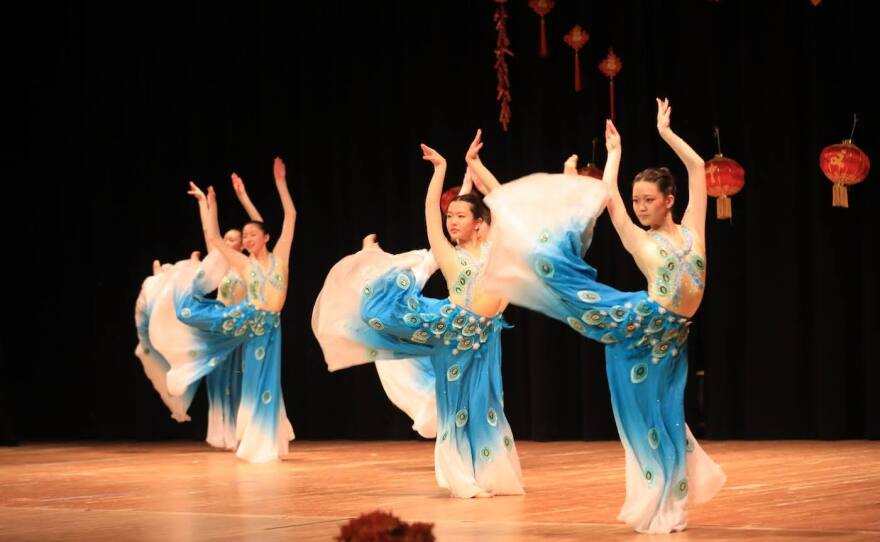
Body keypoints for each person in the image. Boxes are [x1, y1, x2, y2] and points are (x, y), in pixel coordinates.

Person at [479, 99, 725, 533]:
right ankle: (656, 502)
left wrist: (666, 133)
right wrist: (614, 155)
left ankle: (670, 500)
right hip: (638, 325)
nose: (642, 206)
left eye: (649, 199)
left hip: (672, 341)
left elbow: (697, 167)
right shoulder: (639, 241)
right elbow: (609, 200)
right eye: (638, 200)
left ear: (670, 201)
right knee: (644, 416)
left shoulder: (694, 228)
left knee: (668, 416)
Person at [312, 136, 523, 497]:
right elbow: (430, 215)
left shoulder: (497, 249)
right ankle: (460, 476)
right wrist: (439, 171)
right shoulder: (449, 255)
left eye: (460, 216)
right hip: (454, 335)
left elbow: (506, 206)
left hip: (487, 337)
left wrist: (476, 165)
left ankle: (488, 473)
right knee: (456, 407)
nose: (452, 221)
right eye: (450, 216)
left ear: (479, 222)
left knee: (486, 405)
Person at [169, 157, 296, 463]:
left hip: (271, 326)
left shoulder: (280, 257)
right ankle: (254, 443)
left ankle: (267, 442)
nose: (248, 238)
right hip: (248, 322)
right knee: (252, 380)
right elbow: (212, 239)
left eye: (253, 234)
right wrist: (210, 205)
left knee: (268, 384)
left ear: (266, 237)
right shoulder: (244, 264)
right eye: (245, 236)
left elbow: (290, 215)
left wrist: (280, 183)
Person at [134, 173, 263, 452]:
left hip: (242, 331)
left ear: (243, 244)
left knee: (242, 381)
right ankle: (223, 433)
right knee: (219, 381)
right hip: (220, 329)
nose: (230, 243)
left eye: (236, 240)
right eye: (227, 239)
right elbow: (210, 234)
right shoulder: (220, 263)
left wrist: (243, 199)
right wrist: (206, 203)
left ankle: (243, 433)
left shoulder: (246, 264)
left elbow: (261, 228)